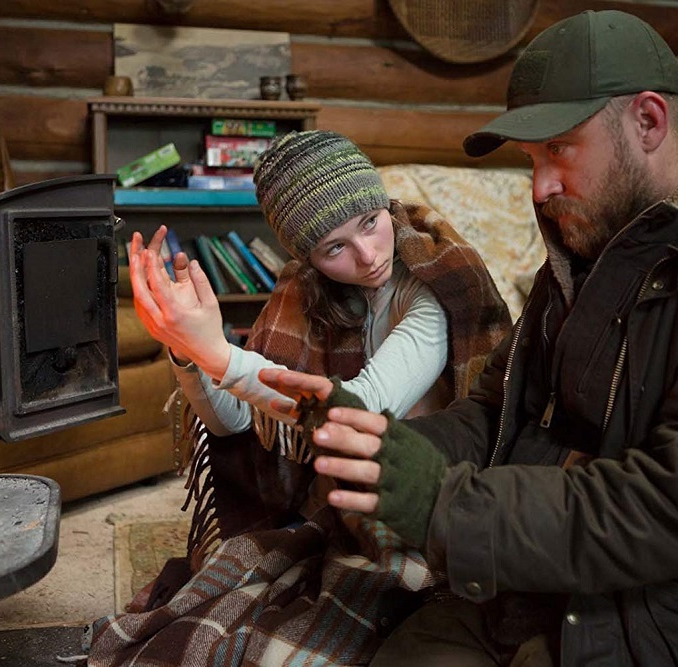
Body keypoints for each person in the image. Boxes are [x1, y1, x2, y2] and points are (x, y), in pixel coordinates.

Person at [259, 10, 678, 666]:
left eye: (559, 149)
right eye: (530, 158)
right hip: (548, 579)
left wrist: (441, 501)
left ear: (649, 121)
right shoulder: (589, 241)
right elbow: (498, 413)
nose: (539, 187)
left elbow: (673, 504)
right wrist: (378, 447)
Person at [86, 130, 512, 666]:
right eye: (335, 247)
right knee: (216, 606)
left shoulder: (435, 288)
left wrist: (219, 351)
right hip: (342, 492)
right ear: (309, 256)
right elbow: (231, 423)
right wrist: (187, 351)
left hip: (433, 494)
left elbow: (360, 407)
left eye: (371, 223)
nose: (368, 255)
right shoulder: (304, 292)